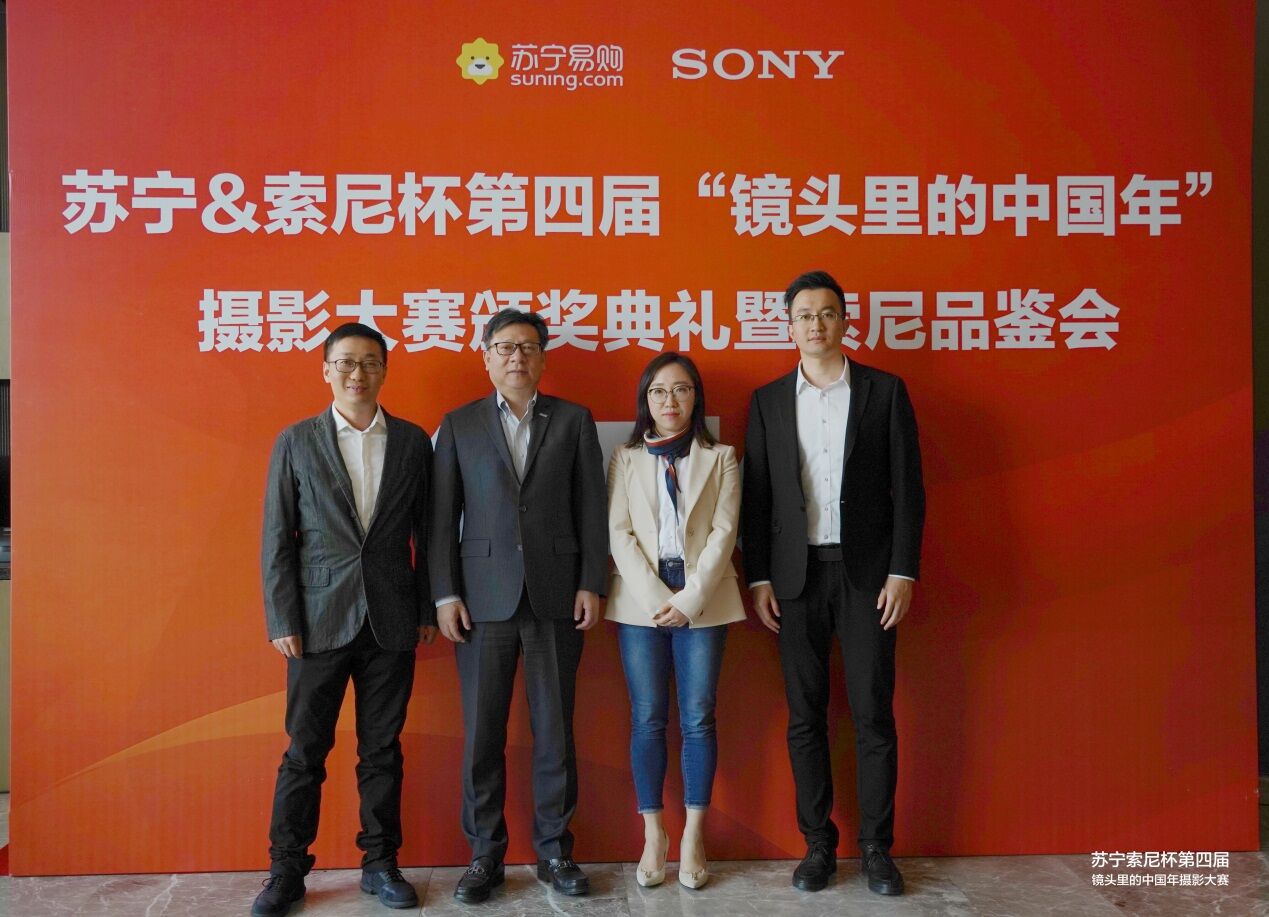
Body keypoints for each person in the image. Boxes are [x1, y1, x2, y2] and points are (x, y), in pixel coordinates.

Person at [741, 270, 925, 897]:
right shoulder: (767, 401)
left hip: (868, 575)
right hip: (794, 578)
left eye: (826, 313)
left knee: (873, 711)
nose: (815, 325)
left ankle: (876, 848)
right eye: (804, 315)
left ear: (845, 322)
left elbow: (909, 490)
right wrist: (759, 576)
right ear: (788, 326)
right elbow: (757, 496)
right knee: (805, 716)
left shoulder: (885, 391)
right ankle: (817, 844)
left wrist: (902, 570)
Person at [253, 322, 436, 917]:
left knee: (382, 750)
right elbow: (277, 536)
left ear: (385, 370)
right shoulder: (296, 440)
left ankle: (381, 865)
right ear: (326, 370)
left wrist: (427, 607)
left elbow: (428, 533)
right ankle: (286, 871)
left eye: (370, 362)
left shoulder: (412, 441)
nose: (358, 373)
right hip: (316, 620)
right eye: (346, 362)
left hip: (391, 619)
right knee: (305, 751)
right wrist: (282, 616)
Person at [429, 308, 608, 904]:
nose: (516, 357)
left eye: (528, 347)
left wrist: (591, 582)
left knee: (555, 729)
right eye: (504, 347)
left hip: (557, 595)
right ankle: (485, 854)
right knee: (483, 733)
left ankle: (555, 850)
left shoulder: (573, 420)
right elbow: (441, 519)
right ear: (486, 357)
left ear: (543, 358)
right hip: (481, 601)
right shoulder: (458, 424)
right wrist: (445, 593)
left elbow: (591, 506)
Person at [605, 353, 745, 891]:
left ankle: (693, 836)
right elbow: (619, 533)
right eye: (659, 391)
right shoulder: (625, 458)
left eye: (681, 390)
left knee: (699, 717)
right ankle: (654, 834)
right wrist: (654, 597)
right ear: (646, 400)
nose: (670, 400)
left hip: (703, 599)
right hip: (640, 600)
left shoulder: (722, 457)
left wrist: (690, 598)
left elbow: (725, 532)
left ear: (695, 398)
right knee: (646, 718)